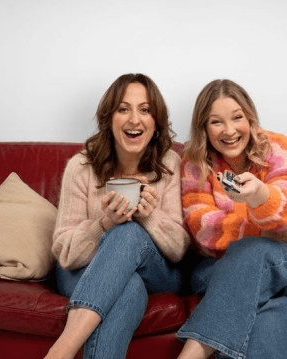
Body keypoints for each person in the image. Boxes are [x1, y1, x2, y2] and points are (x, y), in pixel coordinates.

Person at [45, 73, 190, 359]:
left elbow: (179, 250)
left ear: (156, 122)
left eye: (145, 110)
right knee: (129, 288)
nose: (134, 120)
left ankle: (60, 352)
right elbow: (65, 254)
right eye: (123, 109)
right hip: (85, 269)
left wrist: (149, 218)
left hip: (157, 271)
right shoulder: (81, 166)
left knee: (129, 232)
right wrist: (103, 223)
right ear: (109, 119)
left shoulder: (170, 163)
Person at [176, 79, 287, 359]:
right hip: (218, 264)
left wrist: (260, 196)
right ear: (204, 128)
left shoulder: (278, 148)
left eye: (237, 118)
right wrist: (280, 235)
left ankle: (192, 354)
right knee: (267, 304)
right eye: (216, 122)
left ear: (250, 118)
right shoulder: (195, 162)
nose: (229, 131)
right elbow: (205, 229)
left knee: (251, 255)